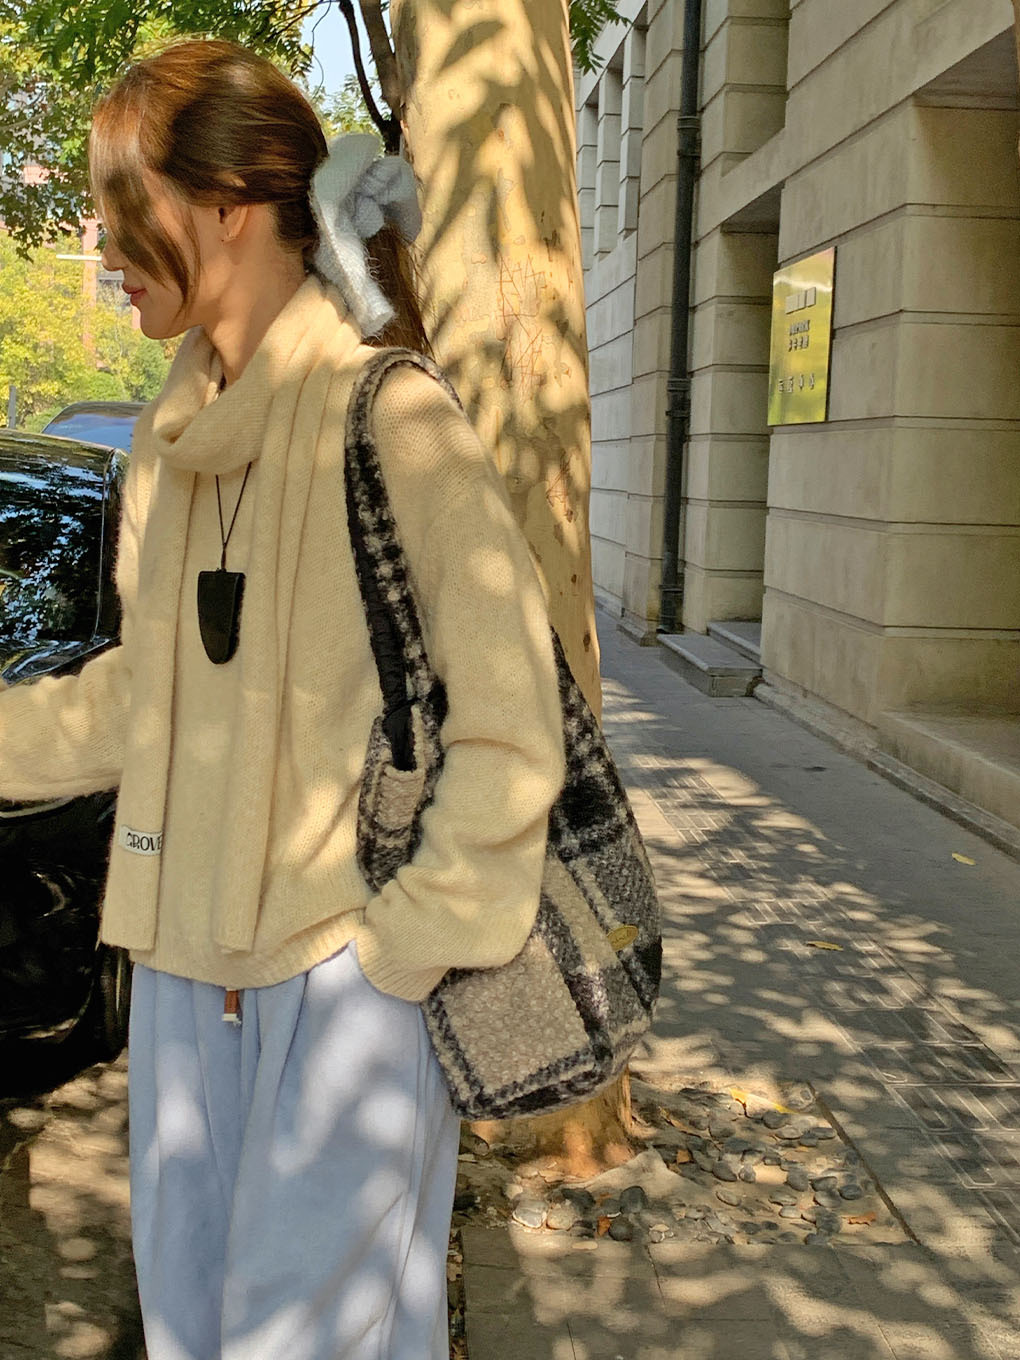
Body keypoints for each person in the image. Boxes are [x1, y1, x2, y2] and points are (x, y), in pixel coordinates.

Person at [0, 39, 565, 1360]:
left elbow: (510, 720)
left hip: (347, 977)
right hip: (182, 969)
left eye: (123, 202)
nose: (103, 240)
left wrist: (398, 953)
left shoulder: (395, 420)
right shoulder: (170, 441)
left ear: (227, 206)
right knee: (194, 1330)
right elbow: (145, 698)